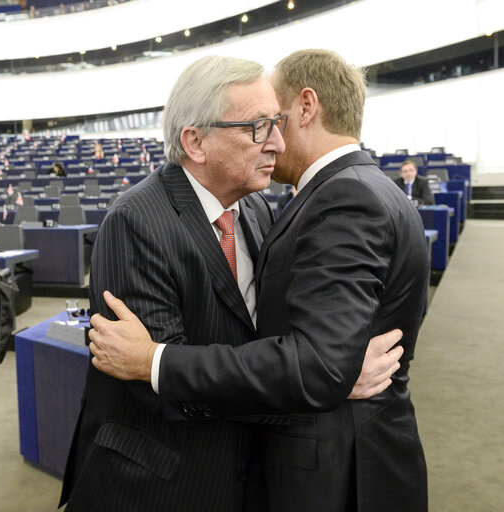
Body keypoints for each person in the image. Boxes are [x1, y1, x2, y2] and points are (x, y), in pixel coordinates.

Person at [87, 49, 429, 512]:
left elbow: (278, 342)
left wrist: (322, 372)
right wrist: (324, 383)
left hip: (249, 475)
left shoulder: (256, 208)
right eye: (258, 128)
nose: (279, 144)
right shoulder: (135, 220)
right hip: (169, 483)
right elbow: (153, 388)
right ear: (195, 142)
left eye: (277, 124)